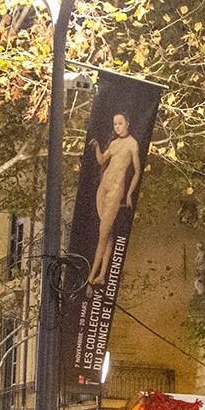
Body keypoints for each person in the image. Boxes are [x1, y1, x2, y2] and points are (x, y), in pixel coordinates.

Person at [86, 111, 143, 286]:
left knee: (102, 235)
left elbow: (137, 171)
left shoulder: (133, 144)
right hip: (103, 187)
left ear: (127, 123)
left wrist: (128, 195)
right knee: (107, 233)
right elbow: (102, 159)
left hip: (116, 190)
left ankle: (90, 278)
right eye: (115, 124)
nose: (117, 127)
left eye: (120, 123)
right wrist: (97, 147)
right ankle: (102, 275)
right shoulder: (114, 143)